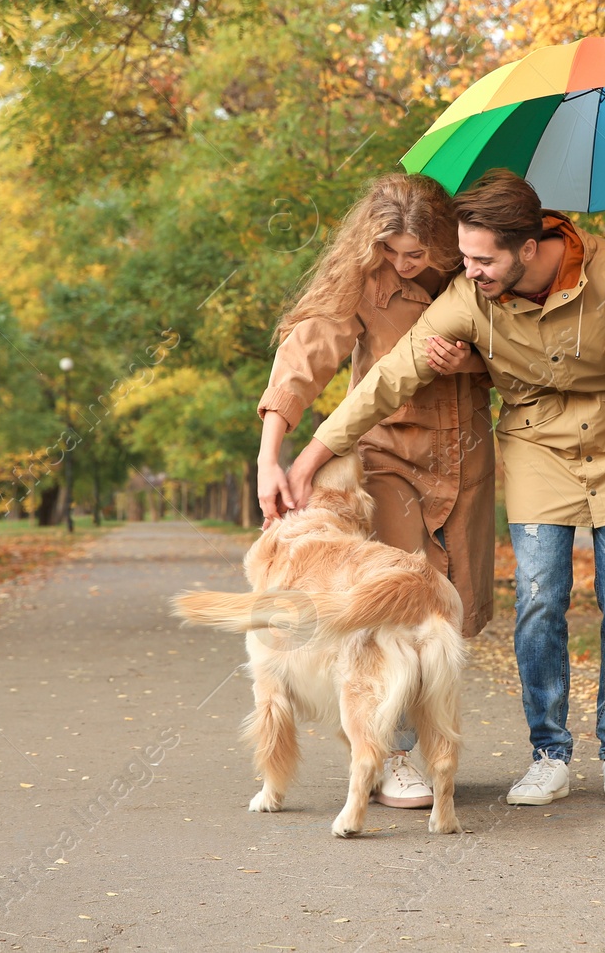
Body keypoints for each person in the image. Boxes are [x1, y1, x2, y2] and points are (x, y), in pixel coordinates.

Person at [287, 168, 605, 807]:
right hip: (537, 443)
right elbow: (390, 376)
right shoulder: (468, 297)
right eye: (465, 257)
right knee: (539, 599)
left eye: (481, 258)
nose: (466, 270)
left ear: (527, 249)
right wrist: (312, 454)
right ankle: (549, 753)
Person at [256, 172, 496, 810]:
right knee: (392, 603)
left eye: (414, 253)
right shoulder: (361, 281)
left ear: (443, 240)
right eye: (388, 251)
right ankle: (390, 754)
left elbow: (526, 349)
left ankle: (429, 747)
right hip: (389, 454)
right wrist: (270, 455)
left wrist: (470, 362)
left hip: (467, 458)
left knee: (453, 606)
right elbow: (305, 355)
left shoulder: (475, 270)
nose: (399, 263)